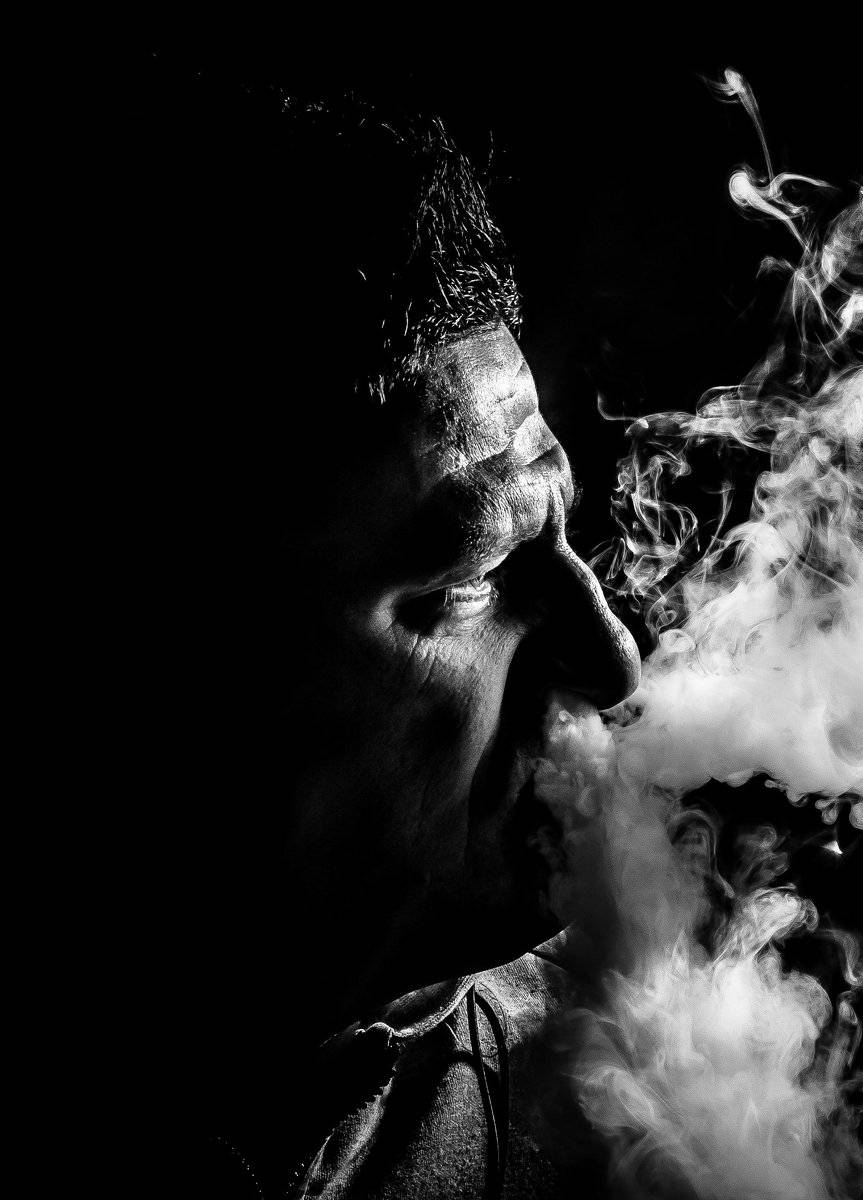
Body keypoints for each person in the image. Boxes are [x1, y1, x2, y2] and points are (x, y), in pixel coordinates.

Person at [123, 62, 639, 1198]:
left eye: (564, 537)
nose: (612, 665)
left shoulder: (617, 1108)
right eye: (474, 579)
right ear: (192, 657)